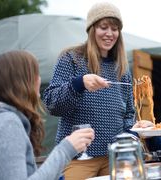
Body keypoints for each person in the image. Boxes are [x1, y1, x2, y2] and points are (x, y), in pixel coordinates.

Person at [42, 2, 134, 179]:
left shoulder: (122, 68)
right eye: (103, 27)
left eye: (114, 29)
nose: (109, 33)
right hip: (77, 157)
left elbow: (129, 113)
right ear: (92, 29)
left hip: (114, 158)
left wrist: (131, 134)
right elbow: (51, 104)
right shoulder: (71, 59)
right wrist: (79, 84)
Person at [0, 50, 94, 180]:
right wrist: (66, 148)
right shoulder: (7, 124)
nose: (39, 79)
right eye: (36, 74)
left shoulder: (5, 119)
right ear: (23, 81)